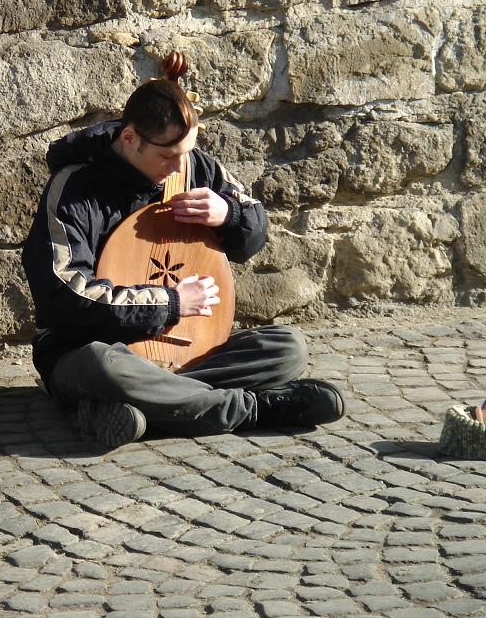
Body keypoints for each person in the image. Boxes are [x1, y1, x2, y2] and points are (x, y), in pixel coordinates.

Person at [20, 53, 345, 447]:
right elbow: (64, 297)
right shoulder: (75, 188)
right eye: (167, 157)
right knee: (103, 368)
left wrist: (229, 214)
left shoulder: (195, 167)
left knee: (288, 347)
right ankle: (252, 409)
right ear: (130, 139)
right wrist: (171, 302)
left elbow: (253, 234)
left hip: (192, 350)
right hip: (89, 347)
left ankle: (142, 406)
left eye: (186, 153)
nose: (179, 169)